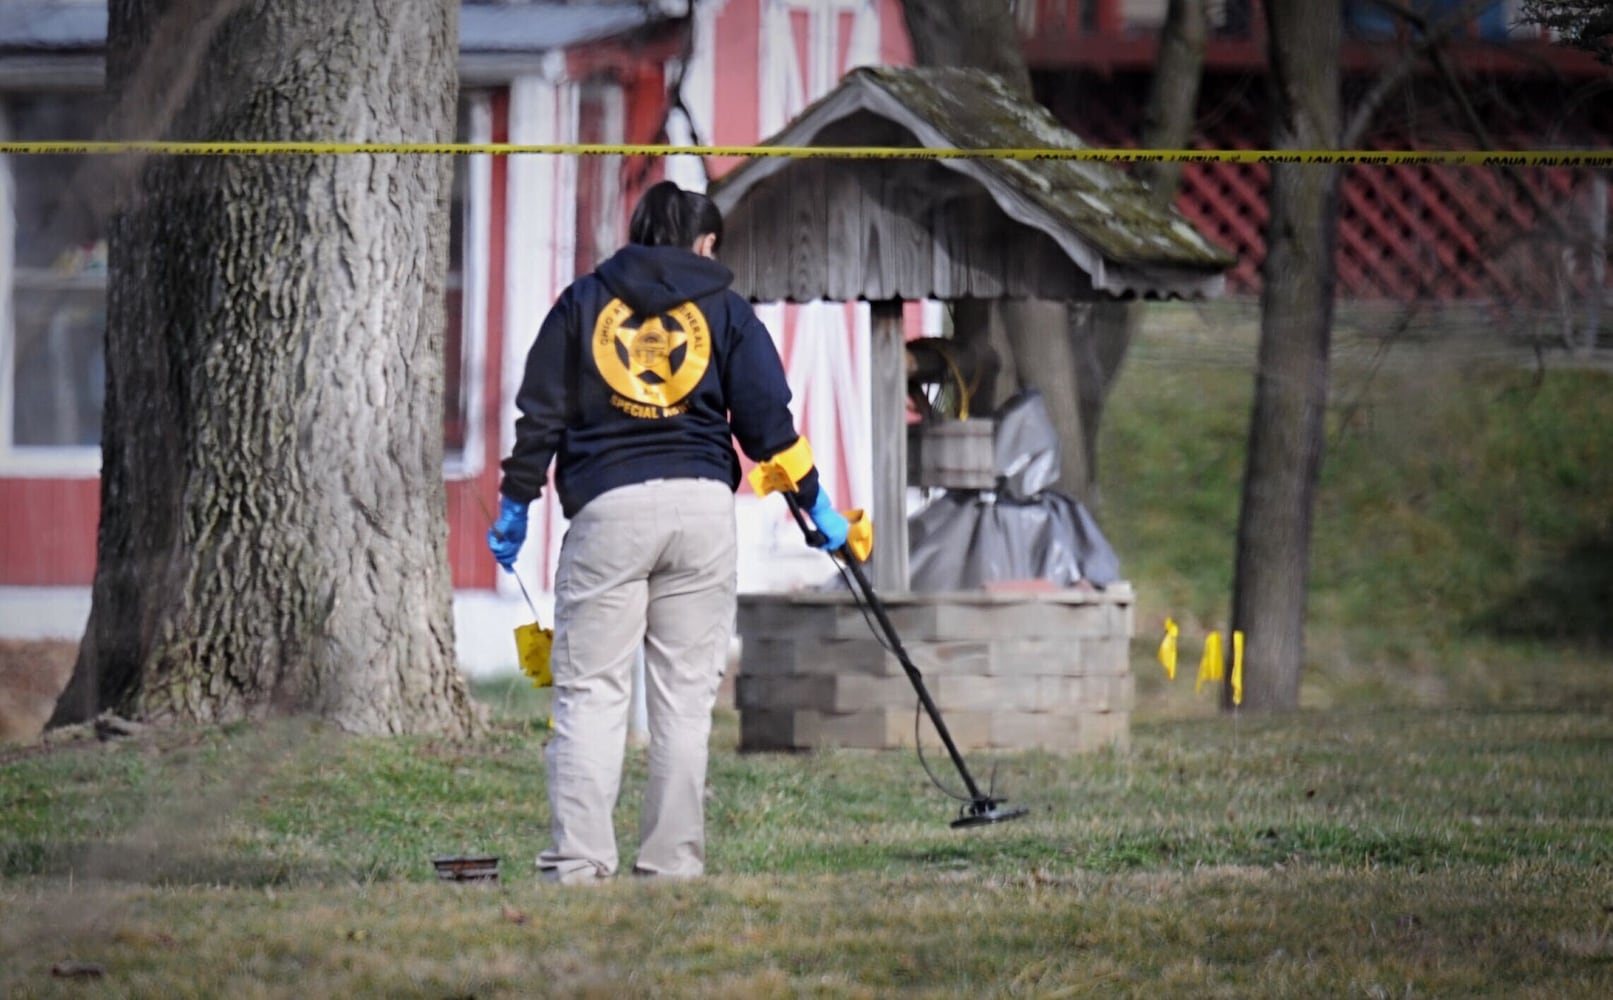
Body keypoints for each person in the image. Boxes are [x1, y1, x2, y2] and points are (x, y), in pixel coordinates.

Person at [488, 180, 848, 883]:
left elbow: (540, 418)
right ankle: (670, 865)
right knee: (683, 698)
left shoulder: (582, 302)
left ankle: (580, 864)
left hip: (607, 511)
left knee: (592, 692)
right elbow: (769, 430)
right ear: (705, 243)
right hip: (700, 510)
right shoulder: (726, 310)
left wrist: (516, 503)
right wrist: (817, 506)